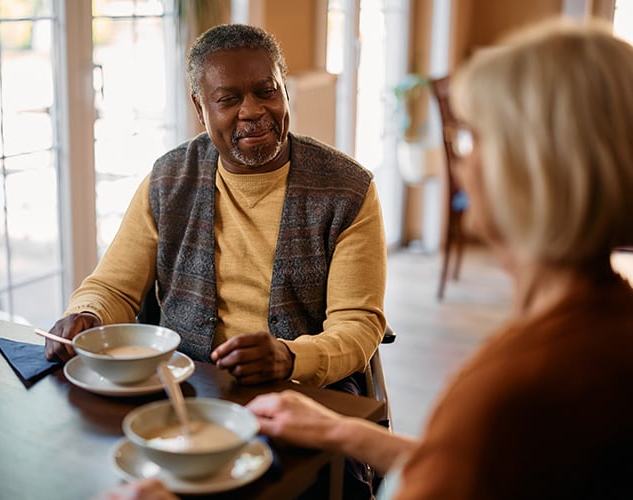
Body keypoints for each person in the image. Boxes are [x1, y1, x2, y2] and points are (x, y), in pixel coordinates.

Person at [247, 18, 633, 499]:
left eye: (473, 139)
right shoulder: (607, 323)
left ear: (533, 171)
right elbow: (479, 465)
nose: (463, 162)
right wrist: (340, 431)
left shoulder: (518, 388)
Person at [47, 22, 387, 498]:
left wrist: (291, 356)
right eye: (228, 99)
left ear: (285, 91)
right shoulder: (168, 178)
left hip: (301, 392)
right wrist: (87, 314)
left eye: (266, 91)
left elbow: (358, 326)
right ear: (200, 111)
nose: (253, 112)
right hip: (186, 387)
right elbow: (113, 286)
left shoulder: (348, 190)